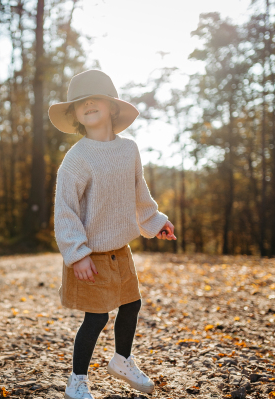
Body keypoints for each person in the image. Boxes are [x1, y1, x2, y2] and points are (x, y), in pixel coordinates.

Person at [49, 69, 176, 399]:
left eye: (96, 99)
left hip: (121, 249)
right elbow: (65, 211)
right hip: (90, 255)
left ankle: (121, 360)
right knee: (96, 318)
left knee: (132, 303)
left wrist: (155, 221)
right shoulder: (76, 159)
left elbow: (138, 191)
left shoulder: (128, 149)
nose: (88, 104)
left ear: (112, 107)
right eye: (81, 102)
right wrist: (76, 254)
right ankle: (77, 381)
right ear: (76, 114)